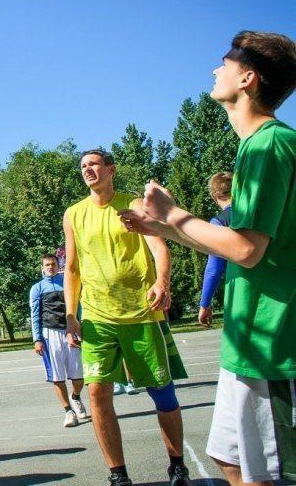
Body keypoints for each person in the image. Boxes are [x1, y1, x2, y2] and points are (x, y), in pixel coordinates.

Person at [120, 30, 296, 486]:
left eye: (225, 63)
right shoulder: (254, 147)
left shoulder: (268, 144)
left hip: (273, 345)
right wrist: (162, 227)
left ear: (248, 79)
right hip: (247, 343)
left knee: (272, 474)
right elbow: (237, 243)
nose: (216, 69)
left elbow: (246, 251)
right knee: (229, 460)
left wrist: (174, 213)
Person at [63, 150, 190, 486]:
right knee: (97, 393)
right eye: (83, 166)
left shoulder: (132, 205)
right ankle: (117, 474)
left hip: (141, 314)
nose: (87, 169)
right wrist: (71, 314)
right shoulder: (74, 214)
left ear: (111, 170)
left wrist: (162, 281)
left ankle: (177, 465)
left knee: (162, 393)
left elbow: (159, 247)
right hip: (97, 317)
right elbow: (72, 268)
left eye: (93, 164)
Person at [28, 253, 88, 427]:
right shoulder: (37, 288)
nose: (50, 267)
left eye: (53, 264)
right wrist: (37, 339)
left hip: (70, 330)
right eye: (47, 265)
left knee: (79, 375)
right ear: (42, 267)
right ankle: (68, 411)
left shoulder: (67, 282)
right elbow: (35, 315)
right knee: (57, 375)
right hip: (49, 334)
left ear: (58, 264)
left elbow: (79, 306)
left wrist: (80, 326)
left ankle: (75, 396)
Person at [198, 172, 233, 327]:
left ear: (213, 196)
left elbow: (214, 269)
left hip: (244, 291)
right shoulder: (262, 211)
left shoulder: (219, 222)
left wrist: (205, 304)